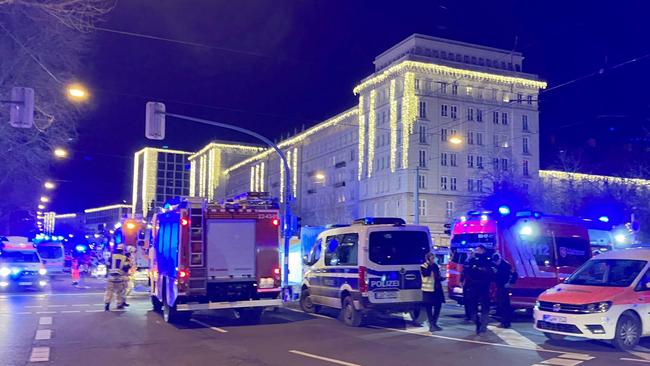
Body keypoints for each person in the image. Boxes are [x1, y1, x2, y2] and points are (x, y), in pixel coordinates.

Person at [464, 244, 495, 334]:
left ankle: (483, 325)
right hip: (473, 285)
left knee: (485, 306)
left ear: (483, 250)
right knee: (472, 305)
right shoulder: (472, 260)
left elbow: (489, 272)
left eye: (478, 250)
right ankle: (476, 321)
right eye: (476, 250)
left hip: (484, 286)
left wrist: (479, 269)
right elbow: (467, 271)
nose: (476, 251)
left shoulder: (487, 259)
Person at [420, 252, 445, 332]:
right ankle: (431, 324)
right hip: (428, 290)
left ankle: (434, 323)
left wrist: (442, 278)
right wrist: (430, 265)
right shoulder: (424, 266)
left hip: (437, 289)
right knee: (429, 308)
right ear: (428, 258)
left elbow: (437, 276)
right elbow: (426, 274)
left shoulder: (435, 265)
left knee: (438, 306)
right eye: (432, 257)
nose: (433, 259)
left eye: (434, 257)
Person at [492, 253, 517, 328]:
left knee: (504, 305)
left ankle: (505, 323)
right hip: (500, 286)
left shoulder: (505, 265)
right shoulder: (498, 265)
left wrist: (510, 283)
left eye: (497, 262)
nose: (496, 263)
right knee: (501, 305)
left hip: (504, 287)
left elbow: (514, 275)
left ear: (499, 259)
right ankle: (504, 322)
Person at [104, 245, 131, 311]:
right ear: (122, 251)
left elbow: (107, 265)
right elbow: (127, 267)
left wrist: (108, 273)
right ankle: (119, 304)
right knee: (119, 292)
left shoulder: (111, 257)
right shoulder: (125, 258)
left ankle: (107, 304)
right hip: (120, 277)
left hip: (111, 277)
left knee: (109, 291)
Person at [461, 249, 475, 322]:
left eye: (471, 253)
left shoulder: (474, 261)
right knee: (466, 300)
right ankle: (467, 315)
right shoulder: (466, 261)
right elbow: (463, 272)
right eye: (468, 253)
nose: (469, 254)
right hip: (466, 283)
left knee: (472, 300)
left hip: (472, 284)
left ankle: (472, 316)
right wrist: (461, 280)